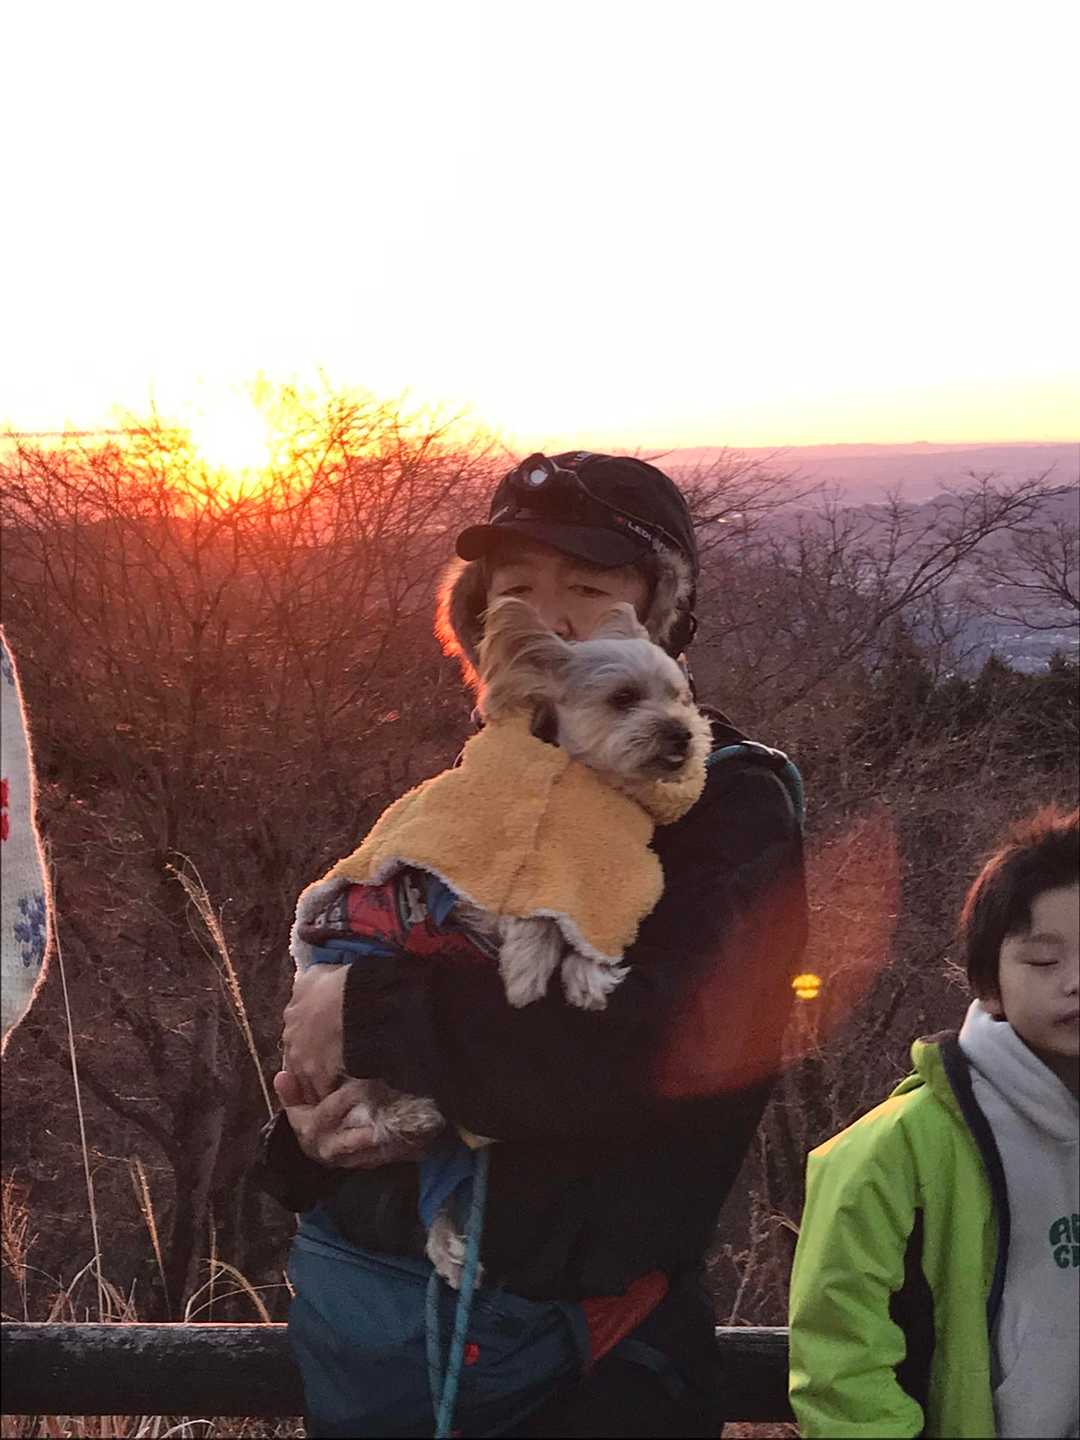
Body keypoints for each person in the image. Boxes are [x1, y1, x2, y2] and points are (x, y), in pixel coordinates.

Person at [256, 451, 808, 1437]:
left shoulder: (727, 808)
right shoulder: (479, 796)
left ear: (664, 613)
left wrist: (365, 1014)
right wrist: (309, 1134)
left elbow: (642, 1054)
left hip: (590, 1369)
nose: (549, 618)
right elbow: (390, 995)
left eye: (588, 590)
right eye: (516, 590)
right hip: (381, 1343)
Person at [788, 805, 1079, 1439]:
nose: (1075, 982)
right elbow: (843, 1367)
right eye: (1043, 961)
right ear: (989, 983)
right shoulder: (889, 1152)